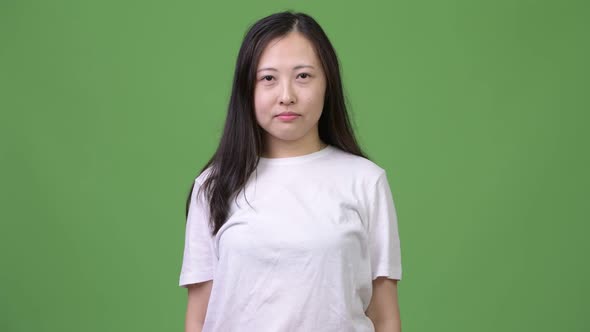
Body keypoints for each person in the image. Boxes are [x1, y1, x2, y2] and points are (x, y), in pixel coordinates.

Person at [179, 10, 403, 332]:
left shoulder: (366, 181)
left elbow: (384, 317)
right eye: (268, 78)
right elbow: (199, 320)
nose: (287, 96)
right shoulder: (214, 185)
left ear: (328, 83)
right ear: (248, 89)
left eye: (303, 76)